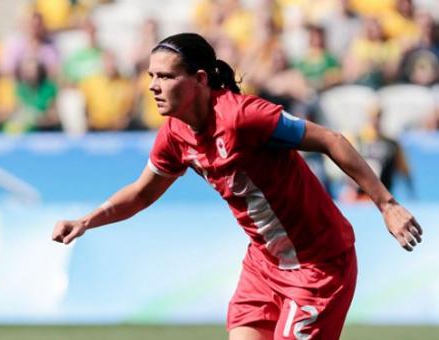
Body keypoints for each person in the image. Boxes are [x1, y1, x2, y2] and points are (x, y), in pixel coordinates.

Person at [52, 33, 422, 340]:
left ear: (199, 79)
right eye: (151, 76)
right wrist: (86, 221)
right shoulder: (175, 135)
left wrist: (387, 205)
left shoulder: (245, 116)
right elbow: (142, 193)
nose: (153, 86)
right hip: (264, 266)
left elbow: (331, 139)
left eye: (165, 77)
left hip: (318, 266)